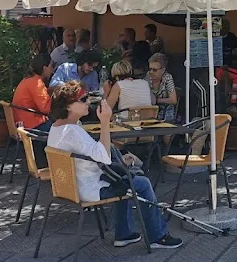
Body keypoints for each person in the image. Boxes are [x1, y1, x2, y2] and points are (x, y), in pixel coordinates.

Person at [45, 83, 182, 249]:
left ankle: (124, 234)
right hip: (90, 189)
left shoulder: (57, 128)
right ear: (68, 106)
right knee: (141, 183)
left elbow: (96, 154)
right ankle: (158, 236)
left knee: (122, 179)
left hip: (71, 186)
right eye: (82, 99)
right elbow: (104, 157)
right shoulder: (73, 132)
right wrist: (104, 122)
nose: (87, 102)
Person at [12, 53, 55, 131]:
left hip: (22, 123)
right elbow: (46, 109)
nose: (52, 70)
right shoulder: (37, 83)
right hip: (32, 126)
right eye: (51, 66)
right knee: (63, 126)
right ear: (44, 68)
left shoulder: (28, 79)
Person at [146, 53, 178, 123]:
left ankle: (167, 132)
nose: (151, 72)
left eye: (154, 70)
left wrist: (156, 100)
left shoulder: (167, 77)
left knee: (170, 108)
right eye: (150, 69)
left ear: (163, 70)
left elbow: (173, 100)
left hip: (165, 110)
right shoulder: (148, 76)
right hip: (151, 109)